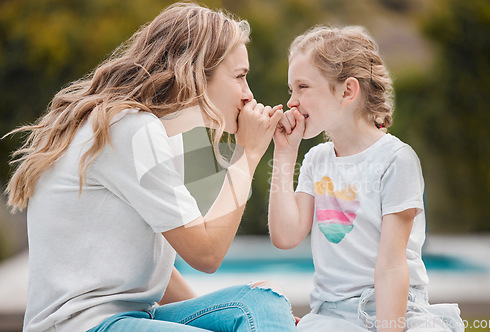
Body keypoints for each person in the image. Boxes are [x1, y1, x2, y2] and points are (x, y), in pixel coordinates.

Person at [5, 3, 297, 331]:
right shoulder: (128, 128)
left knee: (262, 301)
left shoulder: (155, 131)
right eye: (240, 77)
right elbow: (206, 255)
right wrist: (248, 152)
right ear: (199, 71)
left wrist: (224, 316)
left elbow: (156, 264)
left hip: (135, 317)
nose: (248, 95)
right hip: (83, 325)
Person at [268, 25, 464, 332]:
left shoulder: (395, 160)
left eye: (302, 87)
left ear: (347, 91)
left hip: (399, 308)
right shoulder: (315, 161)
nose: (292, 101)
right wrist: (283, 153)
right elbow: (285, 236)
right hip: (331, 314)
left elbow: (391, 265)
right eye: (291, 89)